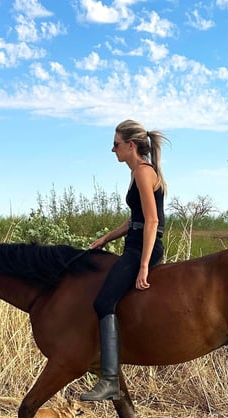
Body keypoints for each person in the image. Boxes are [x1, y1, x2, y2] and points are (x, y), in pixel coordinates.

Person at [80, 119, 169, 401]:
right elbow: (136, 219)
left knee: (103, 301)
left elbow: (153, 221)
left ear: (131, 146)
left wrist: (143, 265)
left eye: (116, 144)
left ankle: (109, 380)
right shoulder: (137, 173)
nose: (112, 149)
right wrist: (106, 238)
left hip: (142, 248)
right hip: (133, 242)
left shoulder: (143, 172)